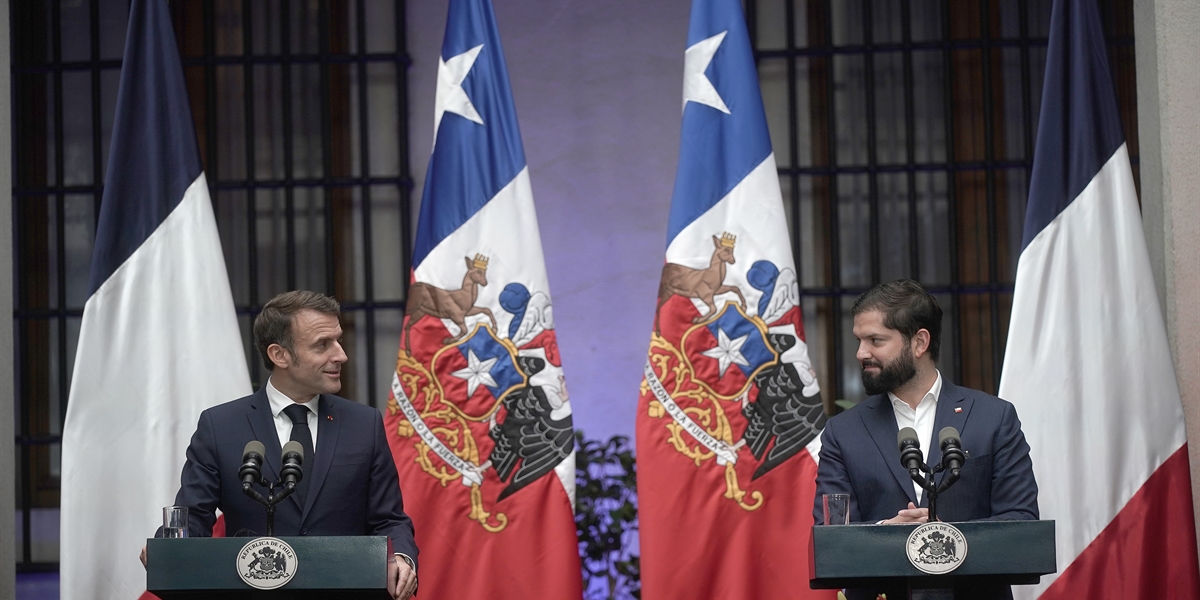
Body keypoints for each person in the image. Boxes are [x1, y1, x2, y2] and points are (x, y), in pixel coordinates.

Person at [140, 291, 418, 600]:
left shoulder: (364, 425)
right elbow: (192, 516)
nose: (341, 355)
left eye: (338, 340)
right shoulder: (221, 426)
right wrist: (166, 548)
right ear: (279, 355)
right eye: (323, 344)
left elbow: (389, 518)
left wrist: (402, 558)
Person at [813, 279, 1038, 600]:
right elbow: (830, 537)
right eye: (859, 340)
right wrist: (885, 534)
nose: (861, 353)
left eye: (876, 340)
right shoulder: (842, 431)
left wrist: (944, 537)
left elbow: (1021, 522)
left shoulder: (994, 418)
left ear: (919, 342)